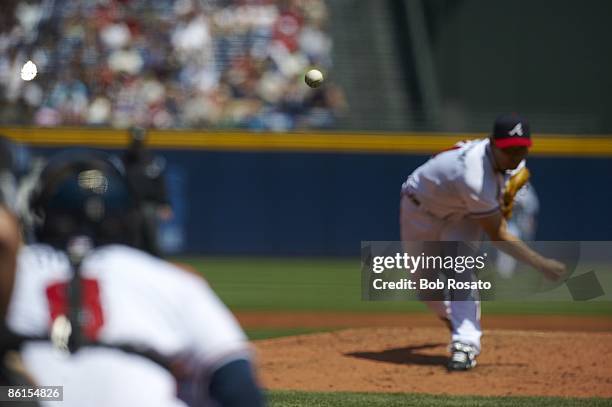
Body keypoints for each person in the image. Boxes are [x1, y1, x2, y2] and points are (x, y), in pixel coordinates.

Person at [5, 151, 264, 406]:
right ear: (130, 215)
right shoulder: (169, 279)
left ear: (39, 213)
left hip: (45, 396)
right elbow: (237, 385)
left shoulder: (14, 272)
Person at [399, 114, 565, 371]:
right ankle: (453, 317)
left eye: (522, 149)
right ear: (492, 144)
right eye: (509, 150)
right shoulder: (474, 174)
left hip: (462, 215)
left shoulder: (512, 166)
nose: (516, 156)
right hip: (420, 209)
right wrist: (541, 264)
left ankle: (465, 343)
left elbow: (508, 187)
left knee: (460, 269)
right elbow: (498, 235)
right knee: (424, 285)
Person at [121, 127, 173, 257]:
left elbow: (160, 184)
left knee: (152, 241)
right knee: (133, 242)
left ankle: (156, 271)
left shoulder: (151, 160)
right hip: (131, 206)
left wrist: (164, 203)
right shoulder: (126, 160)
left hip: (149, 205)